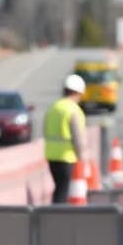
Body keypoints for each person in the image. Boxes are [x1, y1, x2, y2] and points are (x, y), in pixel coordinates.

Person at [43, 74, 88, 203]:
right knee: (63, 190)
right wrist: (82, 157)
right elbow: (78, 138)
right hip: (67, 157)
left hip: (51, 156)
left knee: (58, 189)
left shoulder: (54, 108)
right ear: (78, 92)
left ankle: (53, 215)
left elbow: (46, 131)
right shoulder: (73, 110)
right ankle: (58, 218)